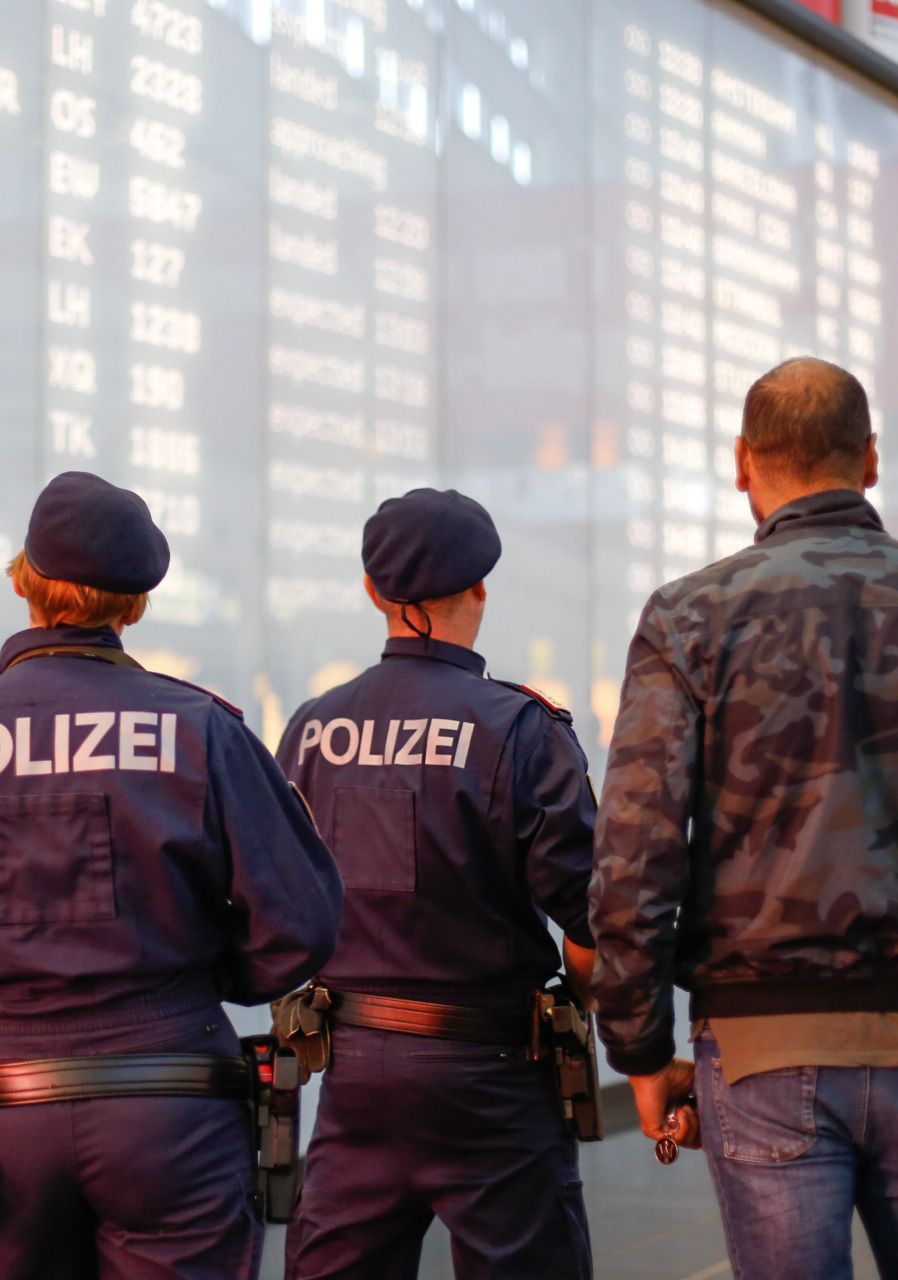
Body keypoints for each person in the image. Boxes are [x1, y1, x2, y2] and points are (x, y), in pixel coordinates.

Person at [589, 357, 898, 1280]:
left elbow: (636, 856)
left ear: (742, 462)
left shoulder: (687, 620)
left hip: (758, 1057)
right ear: (870, 461)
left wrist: (641, 1046)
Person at [0, 471, 344, 1280]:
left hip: (2, 1122)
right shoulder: (200, 730)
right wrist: (194, 984)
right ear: (134, 602)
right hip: (173, 1106)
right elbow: (303, 920)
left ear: (26, 582)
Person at [276, 488, 604, 1280]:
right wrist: (583, 1000)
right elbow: (597, 914)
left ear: (373, 594)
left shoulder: (313, 729)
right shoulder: (520, 729)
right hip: (494, 1071)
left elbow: (277, 899)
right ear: (479, 591)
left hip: (353, 1071)